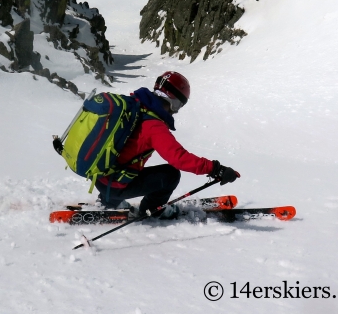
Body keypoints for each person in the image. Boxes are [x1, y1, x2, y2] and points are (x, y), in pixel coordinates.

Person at [95, 71, 240, 219]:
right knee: (170, 175)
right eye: (179, 105)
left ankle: (110, 201)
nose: (176, 111)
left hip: (100, 175)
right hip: (113, 185)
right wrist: (216, 169)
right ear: (173, 100)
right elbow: (179, 158)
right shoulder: (153, 125)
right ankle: (152, 210)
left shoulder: (136, 106)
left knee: (128, 164)